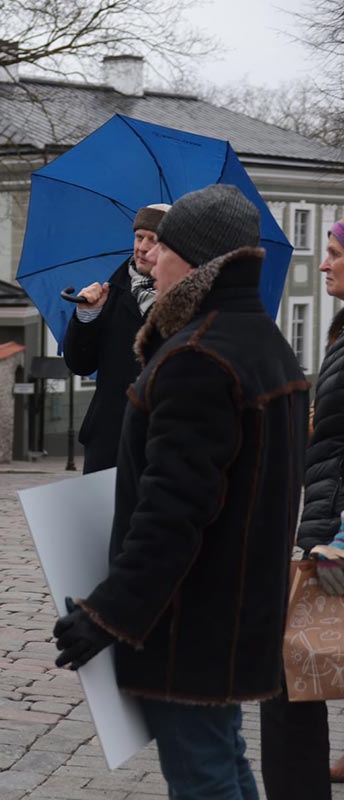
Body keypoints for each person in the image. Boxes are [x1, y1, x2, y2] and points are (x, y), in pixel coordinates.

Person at [52, 184, 309, 798]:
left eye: (160, 247)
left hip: (190, 619)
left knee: (202, 775)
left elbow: (173, 513)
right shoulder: (263, 343)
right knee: (222, 759)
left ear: (194, 261)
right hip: (238, 607)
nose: (148, 258)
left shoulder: (198, 358)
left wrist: (108, 613)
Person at [258, 219, 344, 800]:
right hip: (329, 526)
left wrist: (328, 536)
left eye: (334, 253)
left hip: (337, 536)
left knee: (289, 673)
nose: (323, 264)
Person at [62, 203, 169, 473]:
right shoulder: (111, 291)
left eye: (153, 240)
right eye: (138, 237)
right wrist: (87, 316)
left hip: (161, 438)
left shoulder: (186, 301)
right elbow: (80, 364)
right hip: (109, 438)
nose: (142, 247)